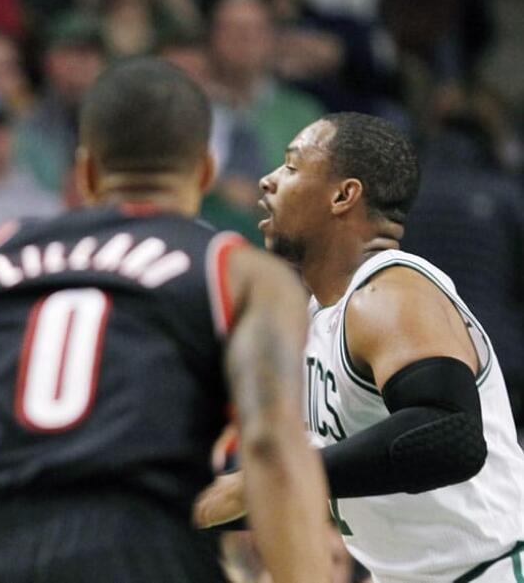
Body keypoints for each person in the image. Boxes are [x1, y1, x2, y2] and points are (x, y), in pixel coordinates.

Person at [0, 58, 331, 583]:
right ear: (204, 171)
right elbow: (271, 446)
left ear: (86, 173)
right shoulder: (239, 273)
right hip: (138, 553)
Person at [194, 113, 524, 581]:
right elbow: (352, 472)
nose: (267, 181)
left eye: (290, 167)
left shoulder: (388, 292)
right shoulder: (321, 320)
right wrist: (202, 503)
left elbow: (451, 436)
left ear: (343, 195)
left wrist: (264, 483)